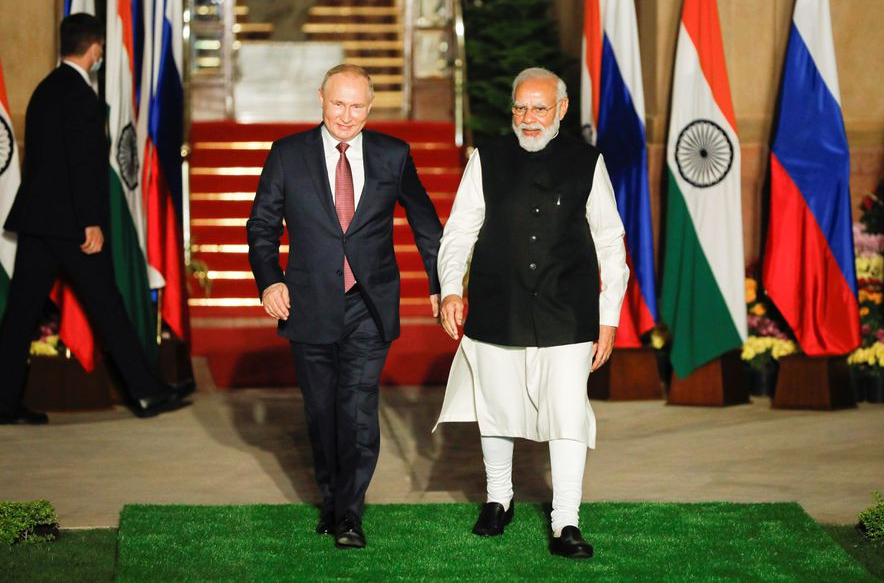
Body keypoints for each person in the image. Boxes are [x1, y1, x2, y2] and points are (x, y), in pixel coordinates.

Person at [434, 67, 628, 559]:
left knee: (567, 416)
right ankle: (498, 498)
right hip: (499, 304)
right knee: (495, 410)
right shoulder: (487, 158)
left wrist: (609, 317)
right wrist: (452, 288)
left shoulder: (588, 162)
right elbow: (459, 232)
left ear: (562, 109)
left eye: (540, 108)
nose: (528, 118)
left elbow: (609, 241)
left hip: (568, 311)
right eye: (520, 107)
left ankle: (566, 522)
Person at [247, 63, 443, 549]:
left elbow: (425, 222)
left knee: (356, 409)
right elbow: (262, 226)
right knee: (321, 412)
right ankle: (332, 500)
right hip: (308, 301)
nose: (347, 115)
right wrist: (270, 281)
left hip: (368, 303)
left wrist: (441, 282)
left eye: (357, 105)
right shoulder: (288, 154)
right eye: (338, 103)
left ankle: (351, 515)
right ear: (321, 98)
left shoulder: (393, 155)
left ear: (370, 106)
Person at [0, 13, 192, 425]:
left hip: (38, 222)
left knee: (20, 314)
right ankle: (146, 393)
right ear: (93, 48)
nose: (100, 54)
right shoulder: (83, 98)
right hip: (73, 227)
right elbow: (83, 166)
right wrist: (90, 222)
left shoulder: (44, 90)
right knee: (108, 307)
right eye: (100, 48)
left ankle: (4, 402)